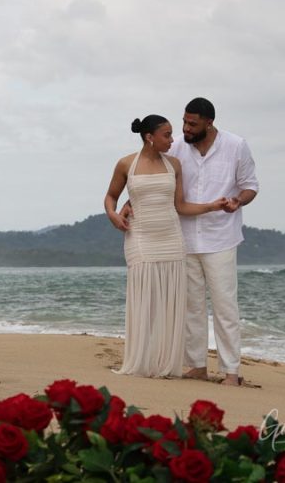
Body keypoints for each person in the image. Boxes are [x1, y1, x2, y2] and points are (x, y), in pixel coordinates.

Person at [104, 115, 227, 378]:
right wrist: (113, 215)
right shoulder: (126, 164)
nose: (173, 140)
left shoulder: (174, 164)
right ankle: (142, 360)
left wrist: (211, 206)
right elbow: (111, 196)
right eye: (167, 135)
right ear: (150, 137)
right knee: (145, 300)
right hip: (140, 237)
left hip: (171, 238)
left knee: (170, 303)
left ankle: (165, 362)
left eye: (172, 134)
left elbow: (180, 206)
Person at [153, 97, 259, 386]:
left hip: (221, 237)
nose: (185, 128)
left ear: (209, 123)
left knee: (225, 306)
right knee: (192, 307)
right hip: (184, 238)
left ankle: (231, 371)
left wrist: (238, 201)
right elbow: (156, 179)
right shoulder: (176, 147)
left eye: (192, 124)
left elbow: (250, 186)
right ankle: (197, 366)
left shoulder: (236, 145)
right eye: (184, 121)